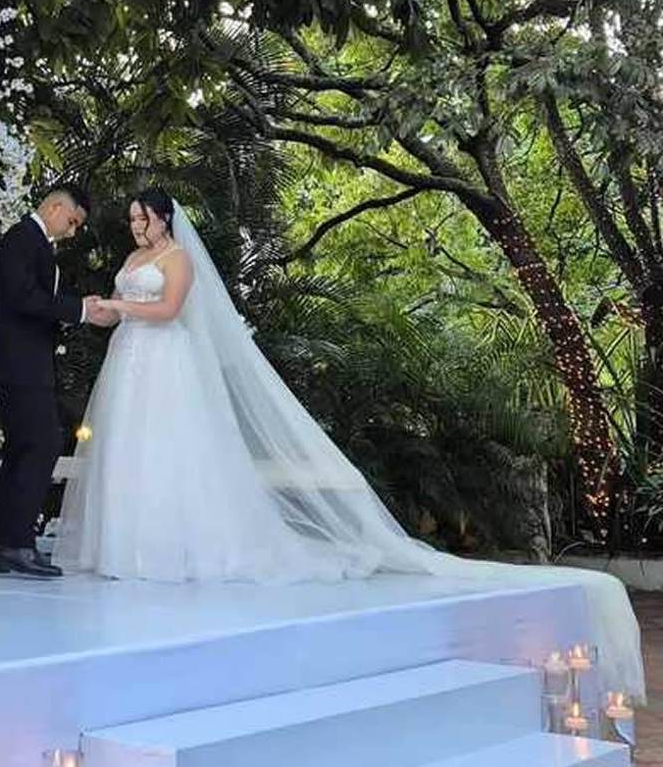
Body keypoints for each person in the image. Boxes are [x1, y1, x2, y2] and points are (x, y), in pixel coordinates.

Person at [54, 187, 645, 698]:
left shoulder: (179, 258)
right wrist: (94, 311)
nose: (136, 227)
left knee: (170, 455)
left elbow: (168, 307)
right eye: (132, 219)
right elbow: (122, 312)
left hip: (167, 365)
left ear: (163, 218)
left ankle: (173, 549)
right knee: (130, 458)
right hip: (129, 363)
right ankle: (126, 546)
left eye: (142, 218)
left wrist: (123, 305)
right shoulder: (133, 257)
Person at [0, 184, 107, 578]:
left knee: (27, 447)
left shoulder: (34, 243)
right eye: (72, 222)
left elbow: (36, 300)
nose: (72, 232)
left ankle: (9, 545)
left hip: (28, 363)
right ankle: (15, 543)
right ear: (55, 207)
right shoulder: (22, 239)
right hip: (19, 365)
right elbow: (24, 298)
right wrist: (79, 311)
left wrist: (77, 309)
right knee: (40, 444)